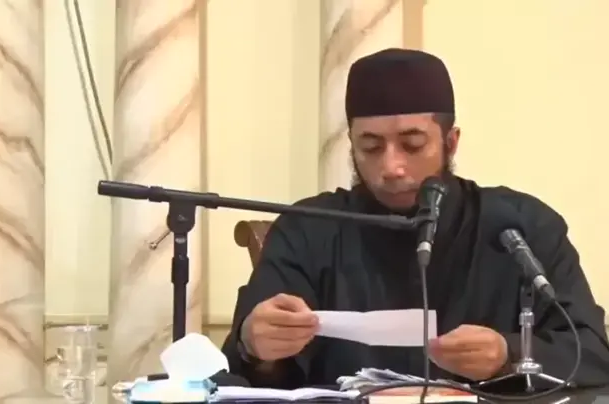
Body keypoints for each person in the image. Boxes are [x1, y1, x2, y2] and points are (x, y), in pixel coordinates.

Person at [221, 48, 609, 390]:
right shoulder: (308, 228)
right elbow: (241, 370)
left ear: (450, 142)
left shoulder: (521, 226)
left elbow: (591, 351)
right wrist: (256, 347)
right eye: (370, 147)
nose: (391, 167)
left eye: (412, 145)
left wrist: (509, 354)